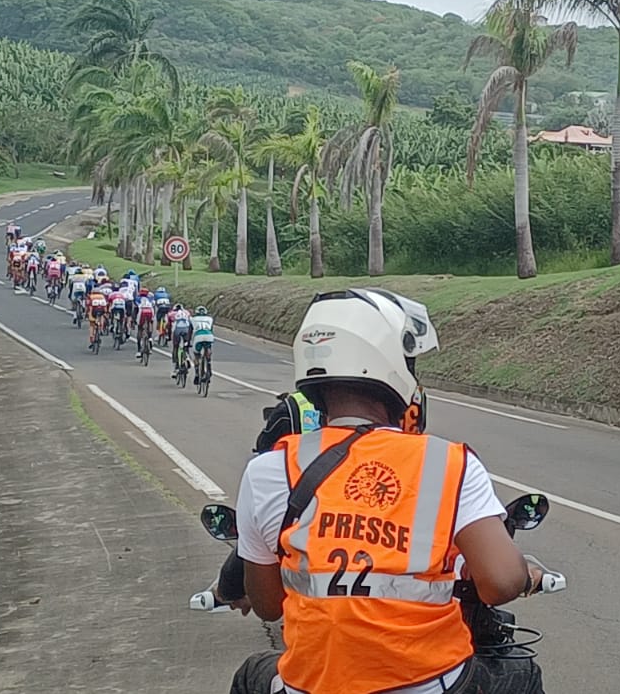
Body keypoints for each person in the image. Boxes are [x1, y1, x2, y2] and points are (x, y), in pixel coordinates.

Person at [228, 289, 541, 694]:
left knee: (253, 674)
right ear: (391, 363)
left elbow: (269, 606)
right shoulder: (449, 462)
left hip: (310, 685)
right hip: (431, 683)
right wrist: (526, 573)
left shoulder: (268, 469)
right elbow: (500, 584)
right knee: (523, 674)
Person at [168, 303, 193, 376]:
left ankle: (175, 369)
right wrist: (189, 339)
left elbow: (169, 326)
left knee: (175, 347)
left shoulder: (171, 313)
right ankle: (187, 357)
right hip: (186, 329)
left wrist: (169, 337)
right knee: (186, 346)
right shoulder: (187, 313)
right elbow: (191, 325)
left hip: (177, 329)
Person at [190, 305, 216, 377]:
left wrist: (188, 341)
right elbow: (211, 330)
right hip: (209, 335)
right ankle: (209, 363)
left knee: (196, 355)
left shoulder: (192, 319)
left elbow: (190, 331)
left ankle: (197, 374)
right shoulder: (210, 319)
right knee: (208, 348)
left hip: (198, 336)